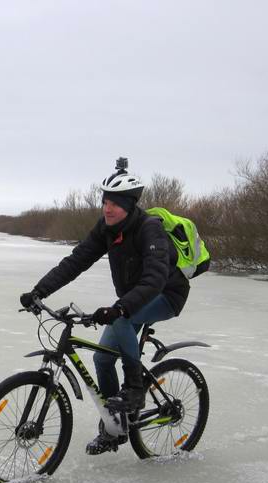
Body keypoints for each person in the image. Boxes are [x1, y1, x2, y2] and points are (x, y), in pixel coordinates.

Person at [20, 158, 190, 455]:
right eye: (105, 202)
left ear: (130, 205)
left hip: (166, 295)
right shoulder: (106, 229)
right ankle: (115, 426)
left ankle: (135, 391)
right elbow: (76, 261)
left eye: (115, 203)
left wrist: (120, 307)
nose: (108, 208)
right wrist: (39, 290)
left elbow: (154, 278)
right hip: (132, 300)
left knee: (123, 320)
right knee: (101, 360)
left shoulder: (150, 230)